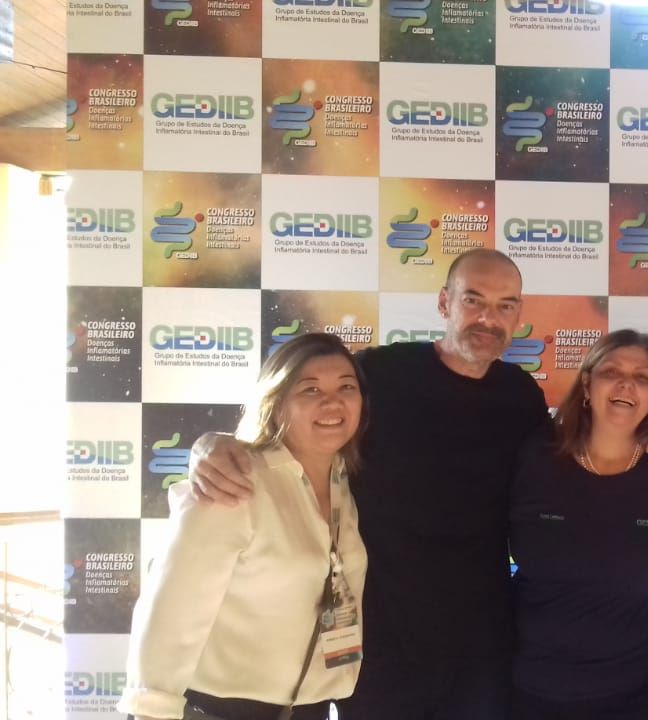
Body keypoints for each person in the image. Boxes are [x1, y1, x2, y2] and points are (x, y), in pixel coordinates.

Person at [189, 249, 549, 720]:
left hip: (480, 642)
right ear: (445, 302)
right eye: (474, 300)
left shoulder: (521, 396)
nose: (488, 318)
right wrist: (213, 444)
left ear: (519, 313)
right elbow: (295, 420)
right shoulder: (379, 373)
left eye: (505, 305)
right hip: (377, 638)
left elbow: (570, 469)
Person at [120, 332, 369, 720]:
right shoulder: (232, 479)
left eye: (346, 387)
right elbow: (171, 609)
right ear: (276, 403)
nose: (332, 401)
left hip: (309, 709)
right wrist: (151, 708)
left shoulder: (344, 484)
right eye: (310, 389)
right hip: (221, 709)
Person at [507, 330, 648, 720]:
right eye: (612, 372)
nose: (626, 384)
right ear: (587, 385)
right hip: (536, 694)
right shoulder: (534, 458)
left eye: (642, 377)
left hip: (641, 695)